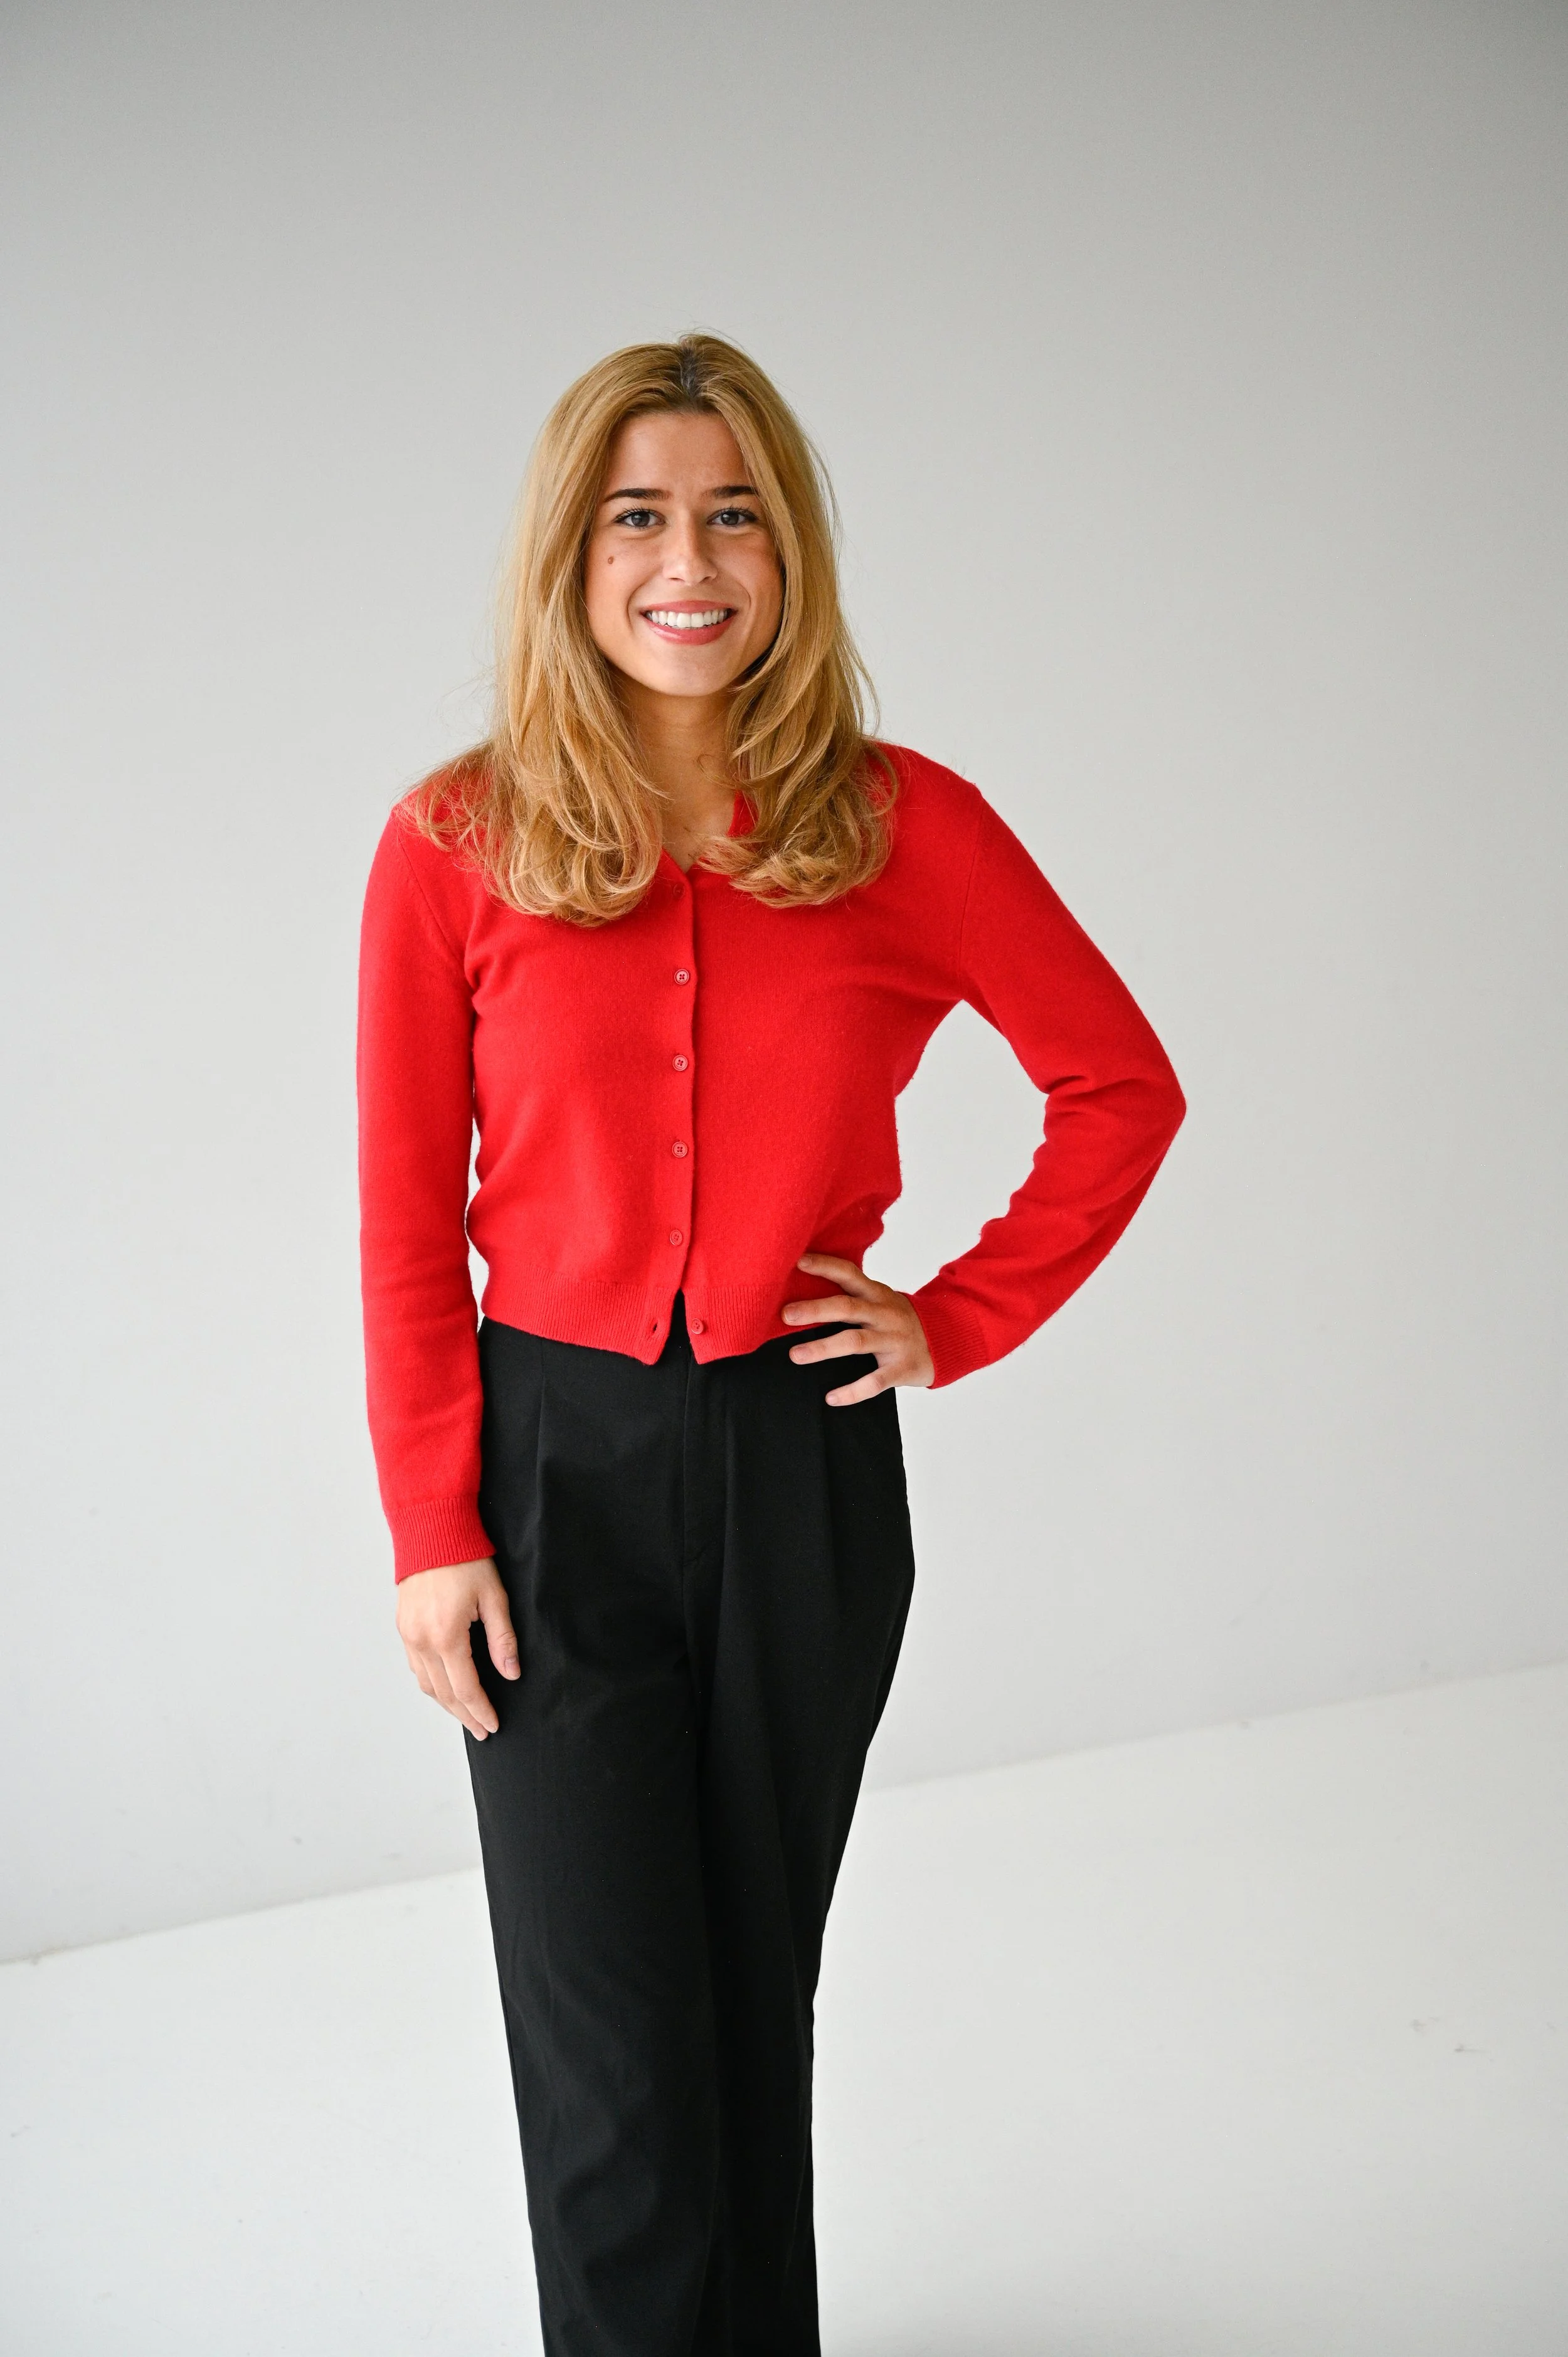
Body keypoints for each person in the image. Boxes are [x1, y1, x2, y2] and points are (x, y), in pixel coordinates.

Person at [355, 332, 1185, 2357]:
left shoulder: (906, 824)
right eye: (637, 513)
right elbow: (398, 1217)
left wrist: (953, 1316)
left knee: (741, 1995)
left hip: (800, 1467)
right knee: (610, 2041)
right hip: (550, 1477)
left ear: (788, 549)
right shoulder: (453, 842)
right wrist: (429, 1525)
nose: (686, 559)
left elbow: (1118, 1087)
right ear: (573, 552)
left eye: (733, 511)